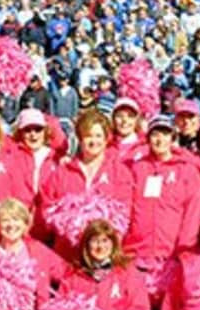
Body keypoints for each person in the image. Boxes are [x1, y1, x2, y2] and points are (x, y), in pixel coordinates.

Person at [41, 109, 134, 257]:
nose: (93, 141)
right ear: (80, 138)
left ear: (106, 139)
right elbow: (47, 209)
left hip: (104, 256)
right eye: (88, 136)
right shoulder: (62, 172)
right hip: (68, 254)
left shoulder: (119, 172)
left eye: (98, 136)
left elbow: (124, 213)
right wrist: (68, 225)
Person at [123, 115, 200, 285]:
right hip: (137, 254)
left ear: (173, 138)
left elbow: (192, 213)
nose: (160, 140)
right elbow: (126, 207)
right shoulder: (136, 169)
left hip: (170, 255)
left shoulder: (187, 171)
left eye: (165, 134)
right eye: (155, 135)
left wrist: (185, 249)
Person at [5, 108, 60, 208]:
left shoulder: (55, 158)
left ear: (45, 131)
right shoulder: (13, 154)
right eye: (27, 130)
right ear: (20, 133)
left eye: (38, 129)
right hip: (19, 214)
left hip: (45, 214)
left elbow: (60, 140)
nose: (33, 134)